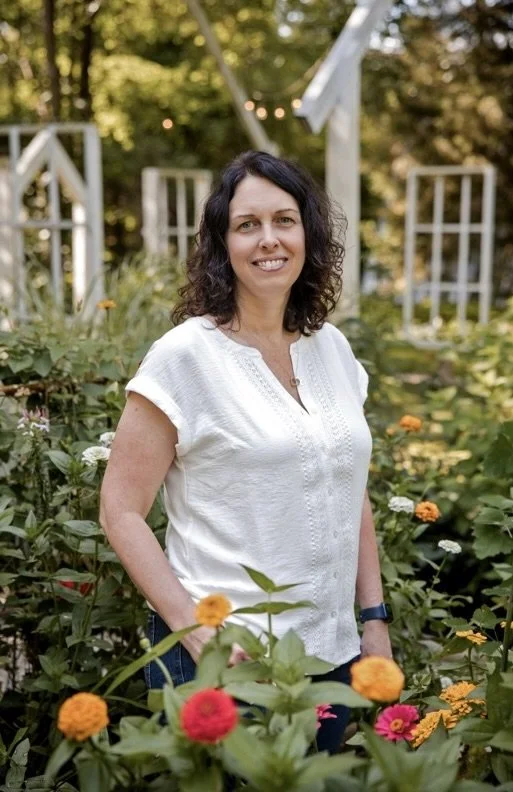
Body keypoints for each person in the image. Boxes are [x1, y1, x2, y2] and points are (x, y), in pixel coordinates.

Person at [99, 150, 392, 755]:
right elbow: (120, 509)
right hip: (226, 661)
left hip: (332, 656)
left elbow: (347, 485)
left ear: (307, 232)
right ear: (221, 243)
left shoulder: (332, 349)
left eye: (284, 220)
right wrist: (193, 632)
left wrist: (374, 620)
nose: (269, 240)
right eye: (247, 224)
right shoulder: (185, 358)